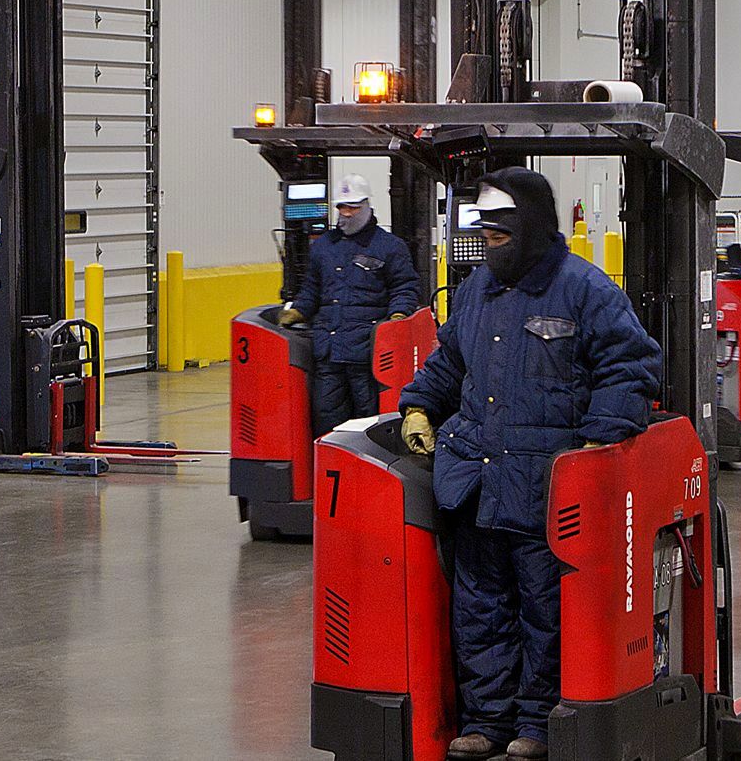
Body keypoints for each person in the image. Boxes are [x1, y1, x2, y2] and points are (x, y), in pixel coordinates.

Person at [396, 167, 663, 761]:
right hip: (477, 481)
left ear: (534, 225)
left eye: (501, 229)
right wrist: (417, 406)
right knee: (481, 610)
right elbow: (449, 362)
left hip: (550, 488)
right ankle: (487, 720)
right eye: (484, 228)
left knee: (546, 612)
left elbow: (632, 367)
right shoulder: (475, 291)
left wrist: (597, 445)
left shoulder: (585, 290)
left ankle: (538, 724)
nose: (489, 239)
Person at [278, 174, 424, 433]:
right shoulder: (324, 247)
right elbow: (312, 288)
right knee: (326, 418)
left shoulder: (389, 247)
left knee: (365, 419)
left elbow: (404, 287)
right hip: (328, 352)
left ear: (367, 206)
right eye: (342, 207)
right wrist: (298, 310)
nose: (346, 213)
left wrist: (398, 317)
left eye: (353, 207)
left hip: (365, 355)